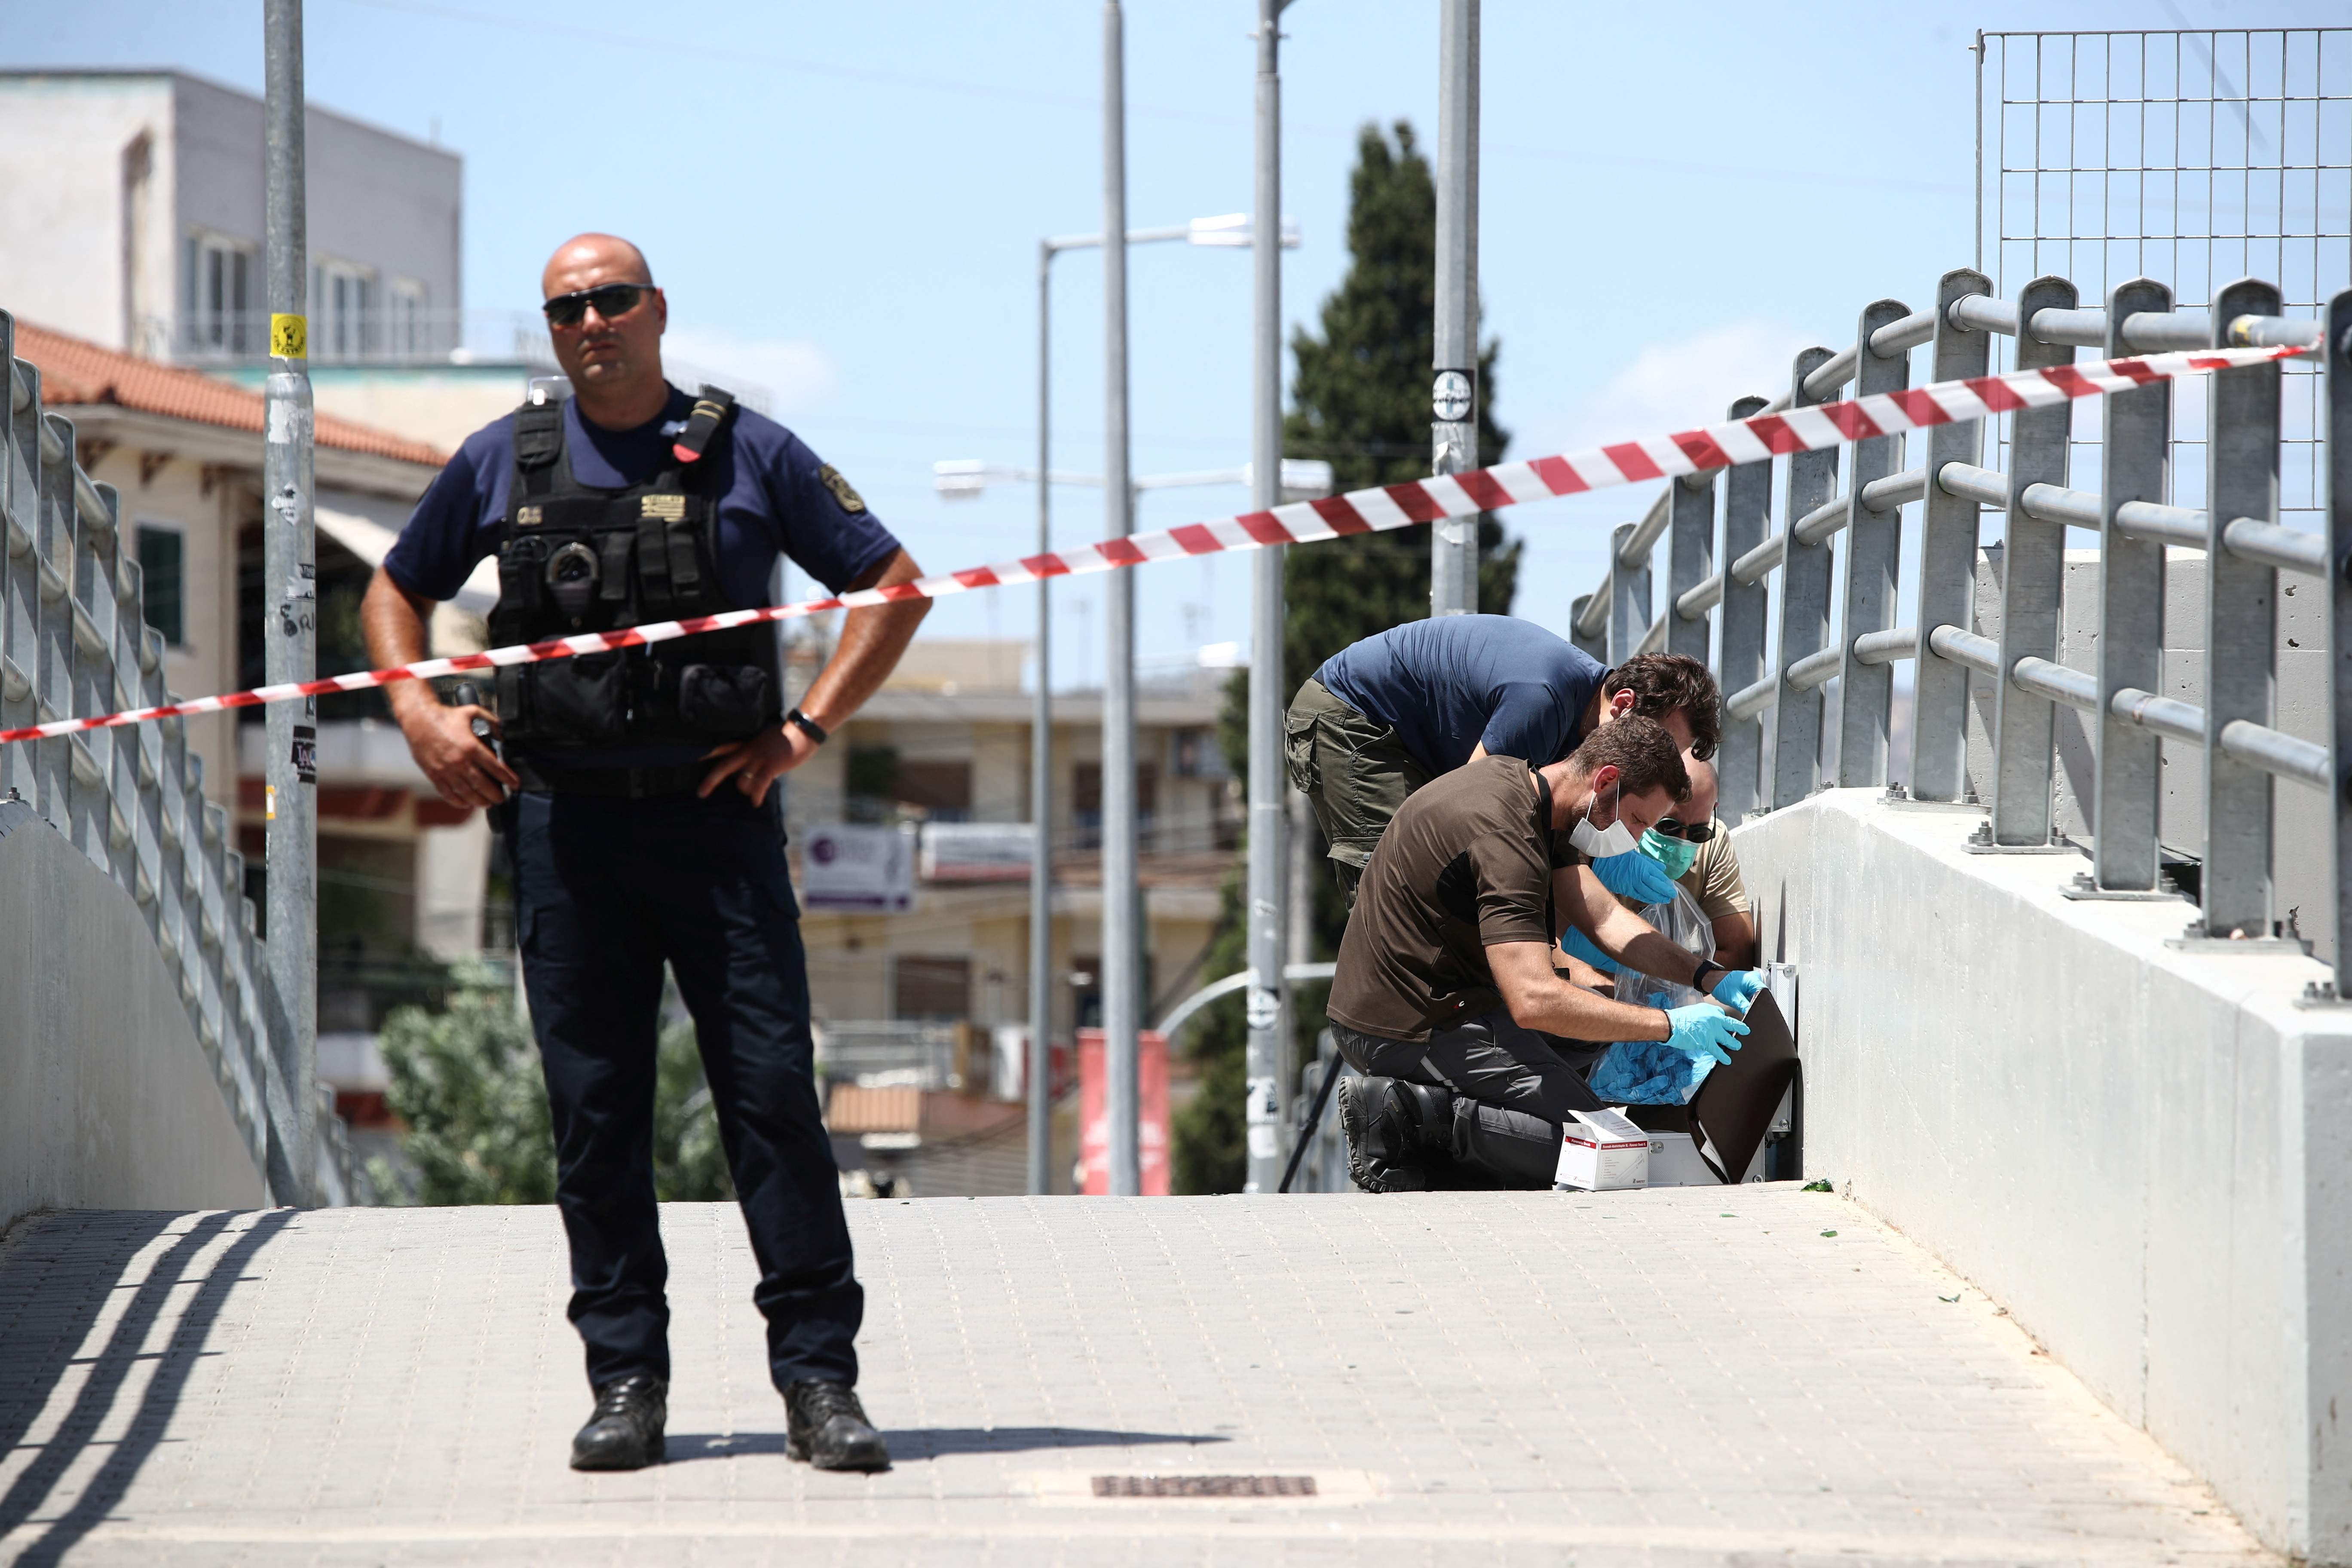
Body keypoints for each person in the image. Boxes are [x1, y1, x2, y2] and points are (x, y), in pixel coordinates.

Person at [362, 234, 925, 1474]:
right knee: (597, 1116)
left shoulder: (749, 450)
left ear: (657, 309)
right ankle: (626, 1383)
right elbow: (393, 593)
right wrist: (419, 712)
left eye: (612, 299)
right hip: (564, 831)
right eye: (567, 307)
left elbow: (892, 584)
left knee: (773, 1102)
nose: (591, 321)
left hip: (717, 827)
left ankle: (820, 1385)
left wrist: (801, 729)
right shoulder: (502, 458)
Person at [1326, 716, 1765, 1193]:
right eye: (1639, 820)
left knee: (1597, 1038)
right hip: (1404, 1023)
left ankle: (1465, 1131)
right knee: (1602, 1156)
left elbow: (1600, 917)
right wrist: (1669, 1027)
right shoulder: (1504, 835)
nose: (1638, 840)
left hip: (1457, 1001)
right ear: (1606, 782)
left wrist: (1706, 976)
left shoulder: (1537, 796)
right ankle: (1406, 1115)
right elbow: (1533, 999)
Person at [1284, 616, 1721, 906]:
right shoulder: (1543, 702)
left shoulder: (1587, 722)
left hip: (1413, 740)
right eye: (1659, 739)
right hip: (1354, 716)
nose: (1657, 758)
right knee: (1397, 886)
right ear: (1623, 704)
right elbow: (1469, 810)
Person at [1562, 752, 1755, 984]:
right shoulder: (1597, 834)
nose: (1682, 842)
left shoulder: (1713, 842)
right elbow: (1556, 944)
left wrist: (1663, 982)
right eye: (1668, 827)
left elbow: (1737, 954)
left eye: (1698, 833)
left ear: (1713, 809)